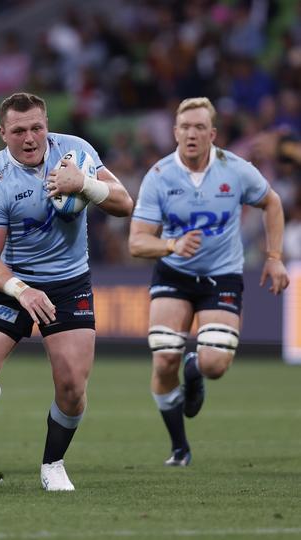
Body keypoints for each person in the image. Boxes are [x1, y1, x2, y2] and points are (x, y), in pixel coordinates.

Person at [0, 92, 133, 491]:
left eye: (37, 127)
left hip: (69, 282)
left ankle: (53, 463)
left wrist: (84, 183)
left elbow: (125, 203)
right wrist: (22, 290)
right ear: (3, 134)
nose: (30, 138)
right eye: (18, 131)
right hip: (13, 281)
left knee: (72, 386)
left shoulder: (76, 151)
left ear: (47, 125)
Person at [128, 97, 289, 467]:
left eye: (200, 127)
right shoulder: (159, 176)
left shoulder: (235, 170)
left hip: (222, 275)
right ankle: (179, 447)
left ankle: (195, 368)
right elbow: (137, 241)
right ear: (174, 133)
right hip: (174, 274)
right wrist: (171, 244)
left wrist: (274, 258)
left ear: (212, 134)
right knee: (164, 356)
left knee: (215, 364)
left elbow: (272, 203)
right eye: (185, 127)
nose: (191, 134)